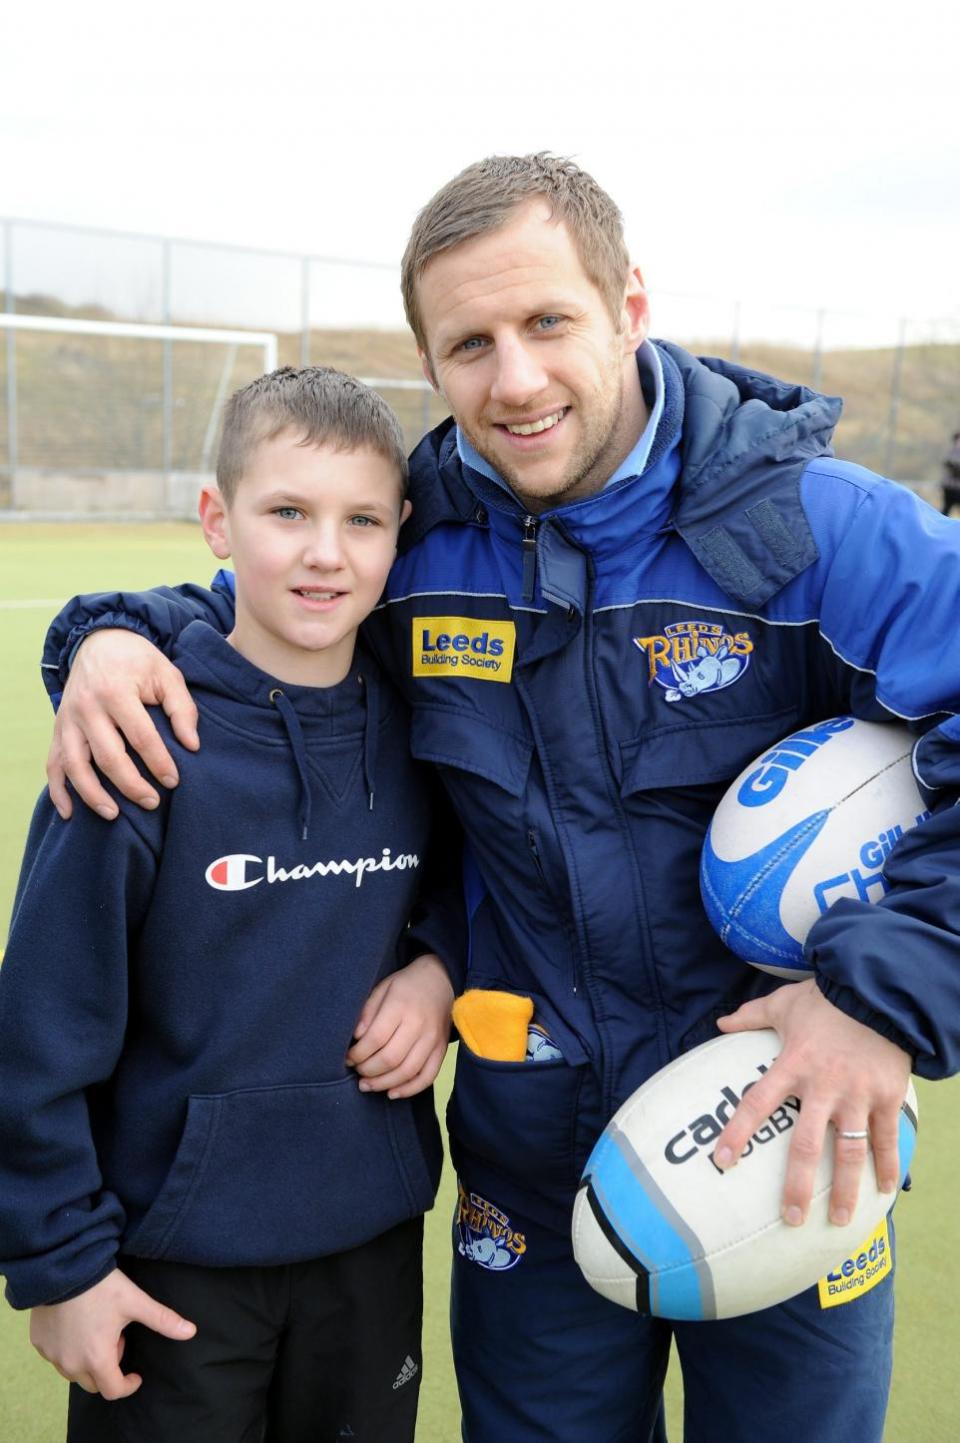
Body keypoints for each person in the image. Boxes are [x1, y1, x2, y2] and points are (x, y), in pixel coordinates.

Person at [38, 156, 960, 1443]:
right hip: (528, 1169)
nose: (512, 380)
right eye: (468, 344)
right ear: (431, 361)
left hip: (786, 1143)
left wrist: (881, 996)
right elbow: (282, 599)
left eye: (546, 323)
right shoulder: (422, 548)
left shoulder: (816, 527)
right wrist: (107, 635)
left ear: (629, 303)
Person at [0, 366, 464, 1443]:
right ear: (218, 520)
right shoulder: (134, 736)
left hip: (369, 1238)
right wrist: (60, 1268)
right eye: (287, 513)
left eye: (360, 521)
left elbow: (476, 878)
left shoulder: (426, 724)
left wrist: (440, 967)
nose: (324, 552)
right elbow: (42, 1021)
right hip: (172, 1261)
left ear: (400, 534)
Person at [941, 429, 960, 514]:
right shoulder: (951, 452)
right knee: (946, 509)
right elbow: (948, 464)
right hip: (949, 487)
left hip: (958, 487)